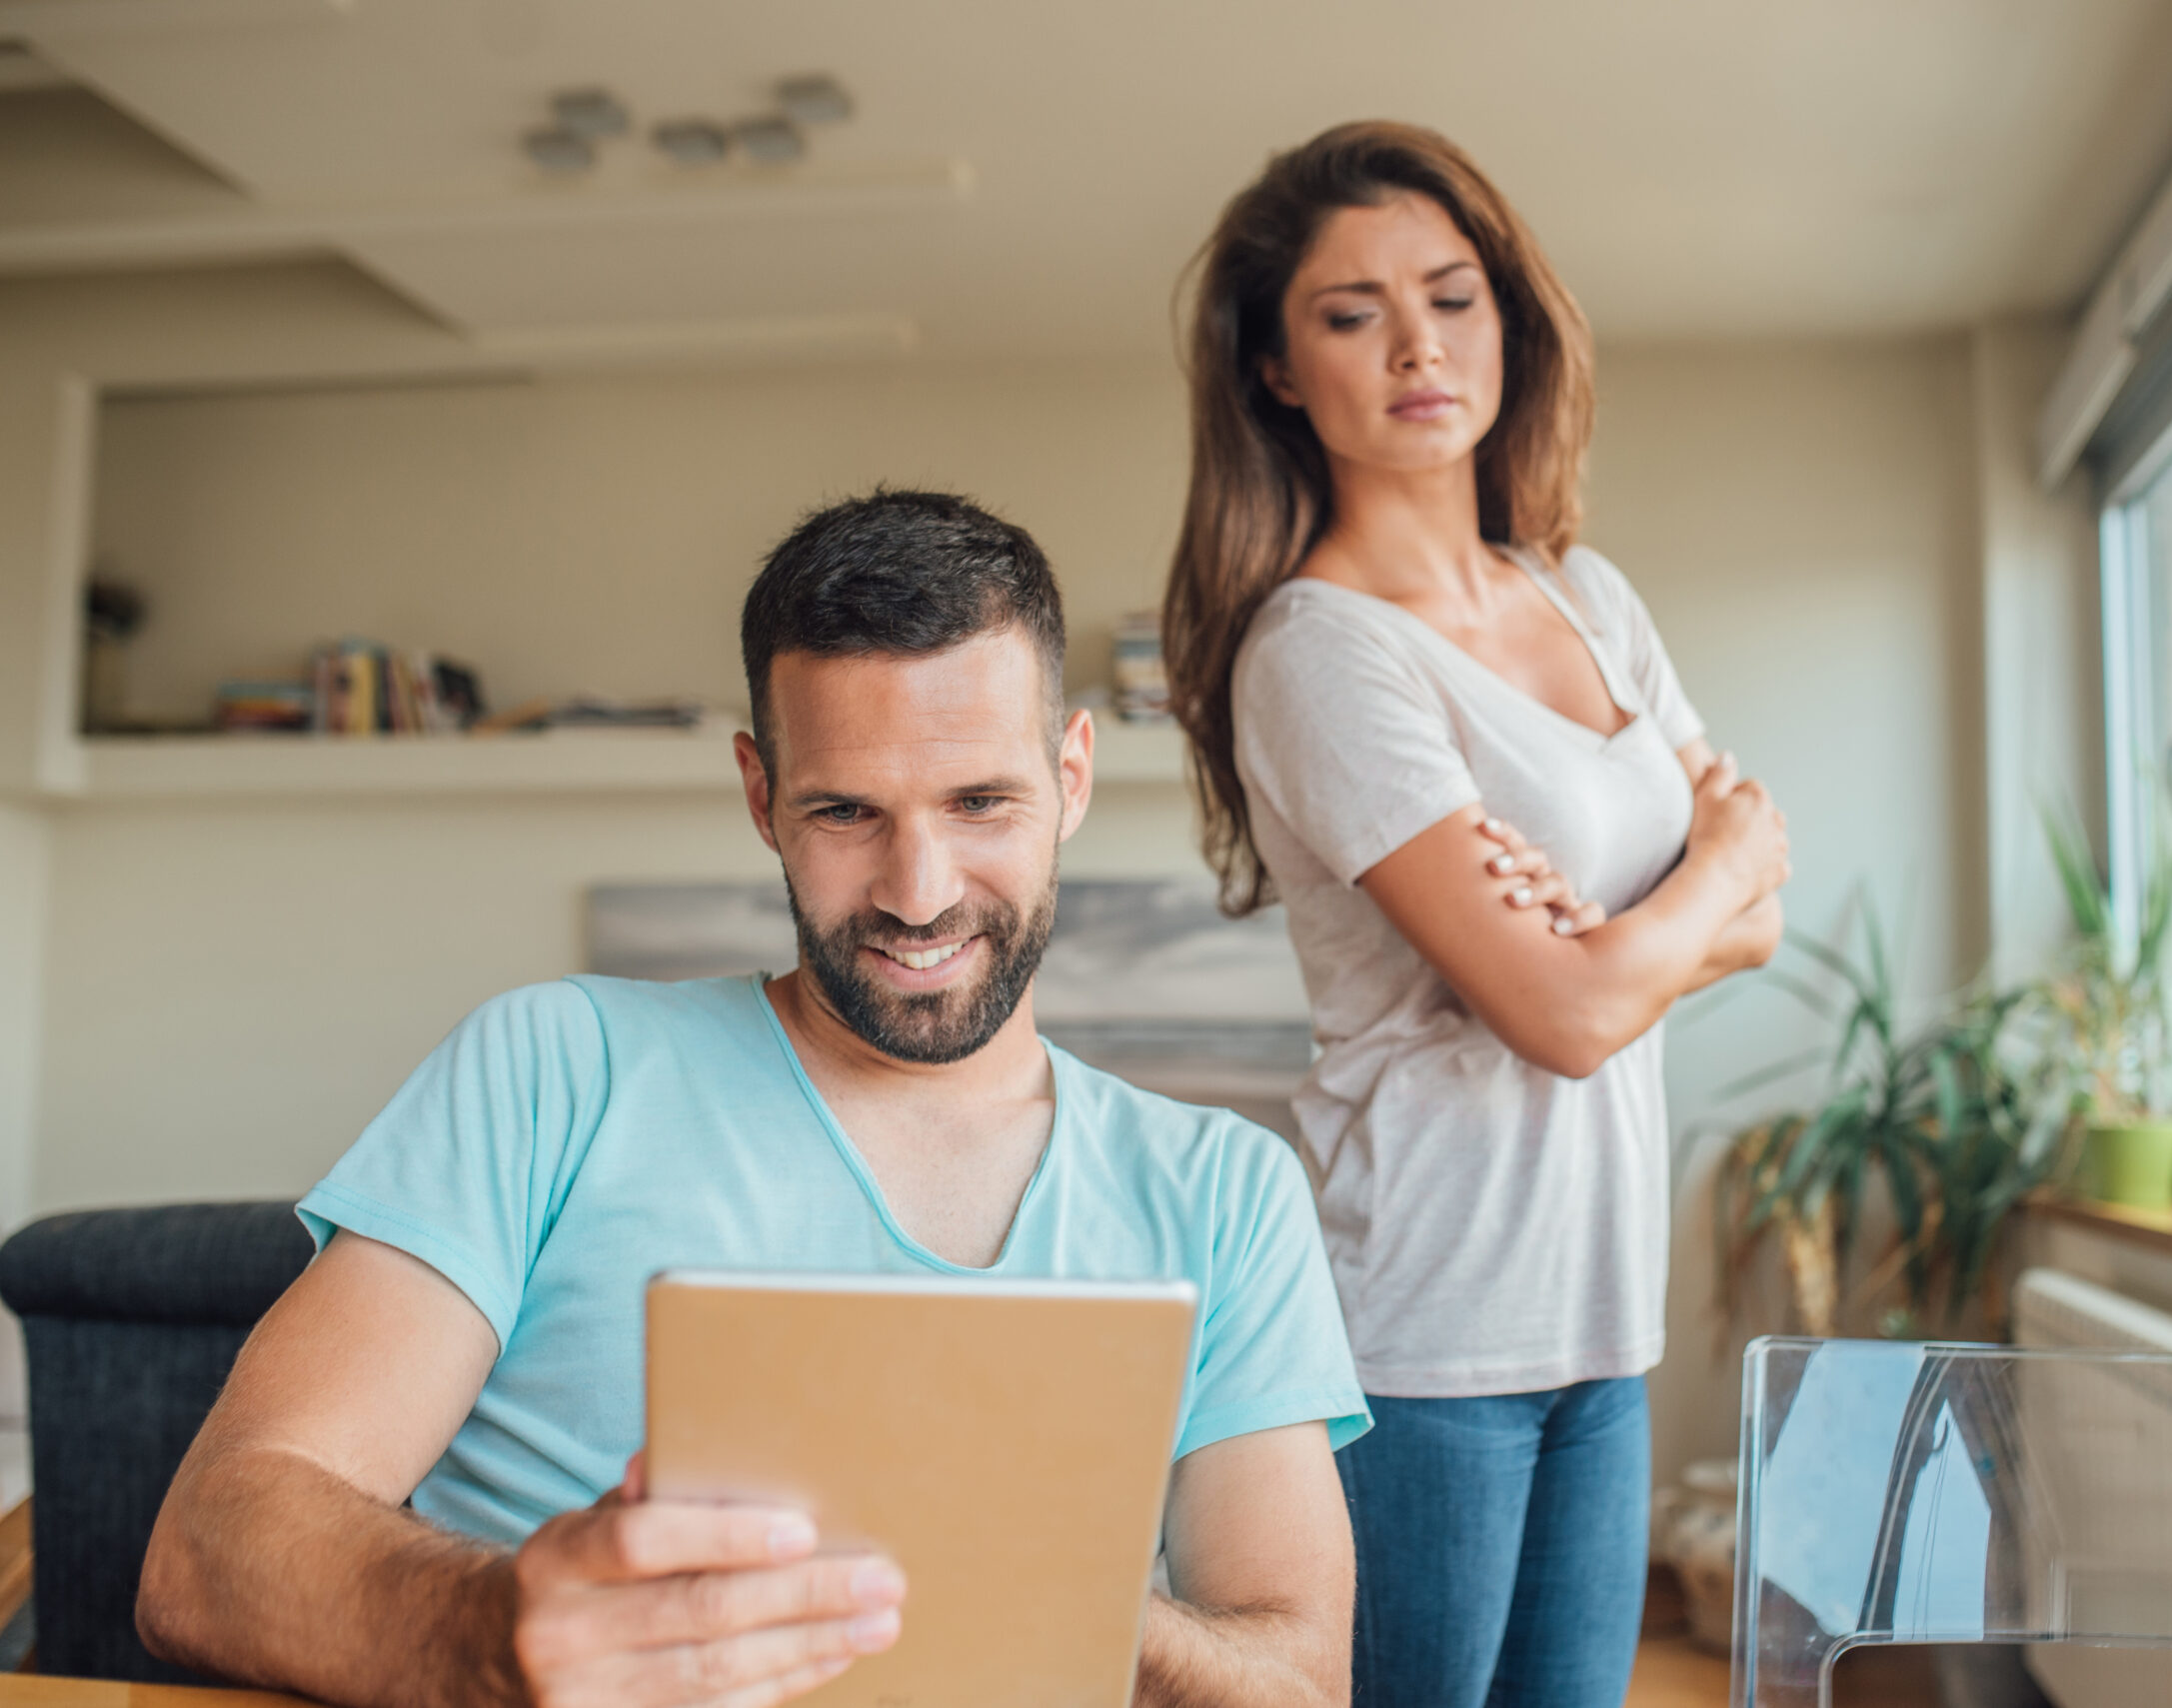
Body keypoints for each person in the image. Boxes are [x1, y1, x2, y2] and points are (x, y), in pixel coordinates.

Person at [138, 489, 1371, 1708]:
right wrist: (493, 1632)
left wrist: (1054, 1591)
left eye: (980, 802)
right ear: (758, 794)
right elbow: (207, 1549)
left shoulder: (1225, 1190)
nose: (918, 890)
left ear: (1073, 774)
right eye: (846, 811)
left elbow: (1298, 1684)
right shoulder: (551, 1067)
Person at [1162, 123, 1793, 1707]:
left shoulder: (1587, 594)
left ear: (1509, 319)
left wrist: (1627, 924)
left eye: (1451, 295)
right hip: (1424, 1334)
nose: (1418, 344)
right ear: (1277, 372)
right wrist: (1669, 899)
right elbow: (1569, 1017)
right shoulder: (1316, 649)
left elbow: (1763, 894)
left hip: (1601, 1319)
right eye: (1351, 312)